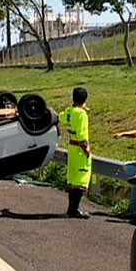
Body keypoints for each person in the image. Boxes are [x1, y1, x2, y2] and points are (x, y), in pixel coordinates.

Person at [59, 87, 92, 219]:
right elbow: (82, 133)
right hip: (79, 149)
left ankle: (71, 208)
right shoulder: (81, 114)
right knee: (81, 179)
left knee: (72, 179)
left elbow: (61, 118)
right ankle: (74, 209)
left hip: (71, 147)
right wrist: (86, 149)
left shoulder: (69, 111)